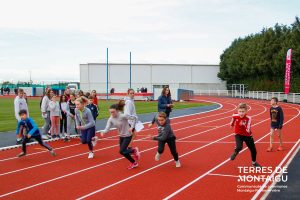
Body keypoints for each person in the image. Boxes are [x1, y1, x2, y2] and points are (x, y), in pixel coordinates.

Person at [100, 101, 140, 169]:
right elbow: (107, 128)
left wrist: (132, 127)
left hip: (128, 135)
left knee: (122, 151)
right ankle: (134, 162)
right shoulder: (111, 119)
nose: (112, 114)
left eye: (113, 112)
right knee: (123, 152)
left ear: (117, 111)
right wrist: (103, 132)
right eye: (110, 112)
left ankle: (134, 151)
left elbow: (135, 118)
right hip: (121, 136)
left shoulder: (123, 116)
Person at [229, 103, 261, 168]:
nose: (241, 113)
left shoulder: (248, 118)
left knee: (253, 150)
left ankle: (254, 163)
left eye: (243, 112)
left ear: (246, 111)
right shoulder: (235, 115)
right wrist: (231, 124)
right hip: (238, 134)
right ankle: (235, 152)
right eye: (240, 111)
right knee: (239, 147)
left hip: (247, 135)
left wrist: (247, 128)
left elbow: (248, 126)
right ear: (238, 111)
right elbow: (233, 118)